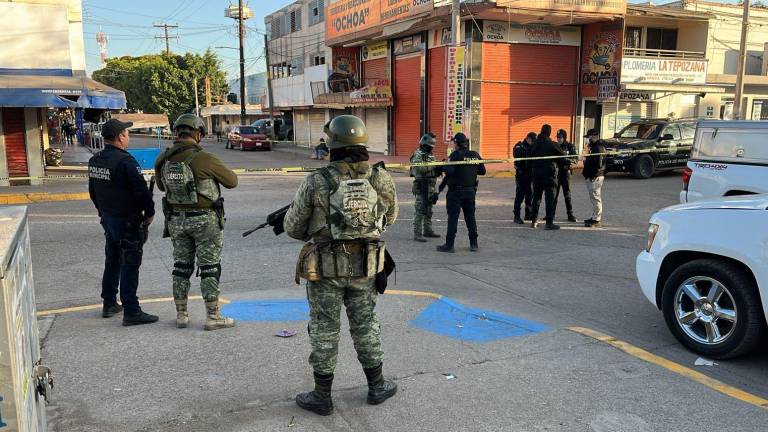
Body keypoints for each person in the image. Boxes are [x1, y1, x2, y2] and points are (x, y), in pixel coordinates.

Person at [284, 115, 399, 416]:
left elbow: (294, 228)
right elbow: (390, 218)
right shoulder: (380, 178)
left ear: (332, 144)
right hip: (365, 267)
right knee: (366, 325)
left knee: (324, 328)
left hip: (326, 270)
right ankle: (377, 386)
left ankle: (322, 395)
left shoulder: (316, 181)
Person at [154, 114, 238, 330]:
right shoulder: (205, 158)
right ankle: (213, 316)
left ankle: (181, 314)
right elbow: (232, 181)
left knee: (181, 266)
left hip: (176, 220)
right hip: (204, 220)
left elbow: (163, 188)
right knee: (210, 267)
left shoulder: (162, 159)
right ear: (198, 133)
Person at [88, 119, 158, 326]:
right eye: (126, 133)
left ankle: (109, 302)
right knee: (130, 263)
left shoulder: (96, 160)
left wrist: (103, 211)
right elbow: (141, 192)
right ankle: (131, 310)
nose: (128, 136)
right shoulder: (126, 161)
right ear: (120, 137)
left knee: (113, 259)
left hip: (108, 219)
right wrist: (150, 213)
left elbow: (92, 192)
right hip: (127, 221)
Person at [437, 133, 485, 253]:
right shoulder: (475, 154)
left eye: (454, 143)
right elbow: (482, 171)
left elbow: (449, 171)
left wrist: (443, 165)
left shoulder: (455, 155)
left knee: (453, 218)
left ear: (457, 143)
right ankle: (474, 244)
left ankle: (449, 245)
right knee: (470, 218)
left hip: (456, 192)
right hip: (470, 191)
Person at [529, 124, 566, 230]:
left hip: (536, 174)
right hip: (549, 175)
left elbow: (529, 156)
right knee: (550, 199)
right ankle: (549, 223)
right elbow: (562, 156)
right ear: (549, 133)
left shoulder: (534, 144)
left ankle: (534, 220)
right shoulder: (552, 144)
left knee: (536, 198)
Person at [410, 132, 442, 242]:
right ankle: (417, 233)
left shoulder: (430, 155)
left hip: (431, 186)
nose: (431, 148)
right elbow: (420, 169)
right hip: (421, 186)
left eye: (432, 146)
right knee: (420, 210)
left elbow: (432, 167)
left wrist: (439, 168)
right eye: (429, 146)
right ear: (424, 144)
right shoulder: (418, 154)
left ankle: (427, 230)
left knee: (429, 210)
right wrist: (435, 166)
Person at [583, 129, 607, 228]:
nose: (588, 139)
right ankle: (594, 217)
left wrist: (593, 175)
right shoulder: (593, 146)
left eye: (589, 137)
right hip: (591, 175)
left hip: (596, 176)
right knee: (593, 198)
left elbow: (599, 164)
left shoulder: (599, 147)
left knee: (596, 198)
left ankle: (597, 219)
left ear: (594, 136)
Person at [513, 132, 536, 224]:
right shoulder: (519, 146)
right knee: (519, 196)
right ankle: (516, 216)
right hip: (521, 175)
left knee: (529, 195)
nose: (533, 142)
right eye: (532, 140)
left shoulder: (532, 147)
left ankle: (528, 214)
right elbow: (517, 154)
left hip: (530, 175)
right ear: (528, 139)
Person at [555, 129, 578, 222]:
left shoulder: (570, 146)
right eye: (557, 137)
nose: (558, 139)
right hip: (556, 173)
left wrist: (566, 160)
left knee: (567, 195)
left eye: (560, 137)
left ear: (564, 137)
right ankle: (550, 214)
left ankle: (570, 214)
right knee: (553, 195)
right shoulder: (555, 146)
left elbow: (575, 159)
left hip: (565, 173)